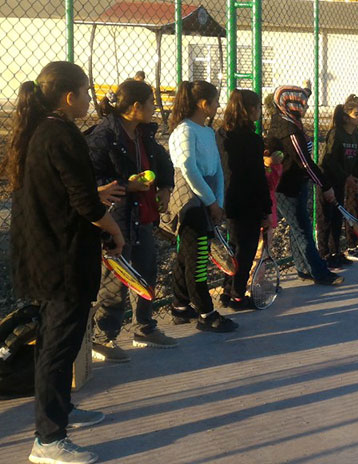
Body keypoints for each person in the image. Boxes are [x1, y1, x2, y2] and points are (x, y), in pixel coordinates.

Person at [5, 61, 126, 464]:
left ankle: (61, 411)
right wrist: (114, 230)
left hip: (42, 252)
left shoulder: (38, 130)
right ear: (69, 96)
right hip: (62, 257)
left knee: (54, 341)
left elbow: (60, 189)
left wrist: (94, 193)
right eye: (86, 92)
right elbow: (85, 205)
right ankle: (49, 439)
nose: (90, 98)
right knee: (59, 346)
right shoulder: (62, 133)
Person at [86, 80, 177, 363]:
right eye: (151, 103)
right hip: (117, 217)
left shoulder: (143, 134)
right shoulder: (104, 136)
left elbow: (164, 161)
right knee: (116, 277)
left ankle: (144, 327)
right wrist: (128, 185)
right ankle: (103, 337)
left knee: (146, 270)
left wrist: (165, 186)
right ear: (136, 106)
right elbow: (91, 180)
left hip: (142, 216)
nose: (154, 108)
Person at [166, 81, 238, 332]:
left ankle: (180, 305)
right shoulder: (184, 131)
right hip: (190, 203)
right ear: (204, 104)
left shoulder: (207, 132)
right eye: (216, 101)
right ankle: (206, 313)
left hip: (206, 201)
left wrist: (218, 202)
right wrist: (210, 201)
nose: (219, 105)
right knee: (197, 259)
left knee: (187, 255)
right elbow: (188, 169)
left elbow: (216, 169)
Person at [264, 85, 342, 285]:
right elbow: (305, 163)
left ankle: (303, 268)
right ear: (291, 105)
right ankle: (320, 273)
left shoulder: (290, 122)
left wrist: (307, 90)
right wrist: (325, 186)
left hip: (296, 184)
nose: (306, 107)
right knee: (303, 230)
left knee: (297, 227)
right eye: (302, 104)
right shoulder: (288, 130)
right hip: (287, 188)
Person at [217, 89, 273, 311]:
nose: (260, 112)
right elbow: (258, 177)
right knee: (246, 249)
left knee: (233, 246)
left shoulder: (221, 134)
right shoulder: (252, 139)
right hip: (247, 201)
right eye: (258, 107)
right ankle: (238, 295)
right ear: (250, 109)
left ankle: (227, 290)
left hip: (226, 197)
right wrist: (266, 209)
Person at [318, 95, 358, 265]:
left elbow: (354, 160)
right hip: (327, 181)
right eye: (357, 114)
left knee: (337, 218)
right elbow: (329, 161)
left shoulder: (354, 135)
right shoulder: (336, 134)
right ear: (346, 117)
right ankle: (324, 255)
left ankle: (335, 252)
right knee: (325, 218)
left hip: (341, 182)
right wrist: (347, 177)